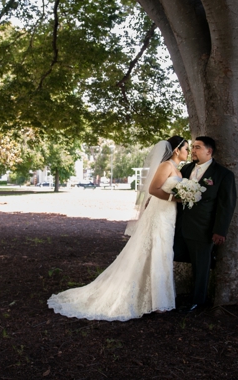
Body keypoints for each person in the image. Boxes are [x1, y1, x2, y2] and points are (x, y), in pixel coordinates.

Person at [47, 136, 190, 321]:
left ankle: (158, 298)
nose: (188, 151)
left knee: (162, 252)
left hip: (169, 215)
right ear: (177, 150)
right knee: (154, 250)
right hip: (159, 213)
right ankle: (153, 300)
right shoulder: (166, 166)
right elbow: (154, 189)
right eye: (186, 148)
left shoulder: (178, 170)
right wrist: (176, 198)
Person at [172, 136, 237, 312]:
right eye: (192, 147)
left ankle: (197, 301)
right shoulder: (185, 169)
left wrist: (219, 231)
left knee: (201, 266)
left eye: (197, 147)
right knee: (172, 255)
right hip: (181, 226)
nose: (193, 150)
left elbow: (226, 205)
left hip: (204, 229)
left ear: (209, 151)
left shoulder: (223, 175)